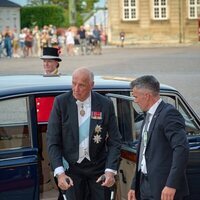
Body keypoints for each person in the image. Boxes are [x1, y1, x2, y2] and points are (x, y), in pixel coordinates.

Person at [47, 67, 122, 200]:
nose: (76, 88)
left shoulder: (105, 104)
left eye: (81, 85)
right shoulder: (61, 102)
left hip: (98, 168)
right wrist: (60, 173)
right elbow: (53, 142)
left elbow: (115, 141)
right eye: (73, 83)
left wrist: (110, 171)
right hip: (71, 168)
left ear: (92, 85)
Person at [128, 75, 189, 200]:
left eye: (135, 97)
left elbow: (181, 149)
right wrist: (134, 185)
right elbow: (143, 154)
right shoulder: (148, 114)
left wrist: (171, 185)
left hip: (163, 188)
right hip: (144, 185)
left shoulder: (169, 114)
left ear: (147, 96)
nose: (135, 101)